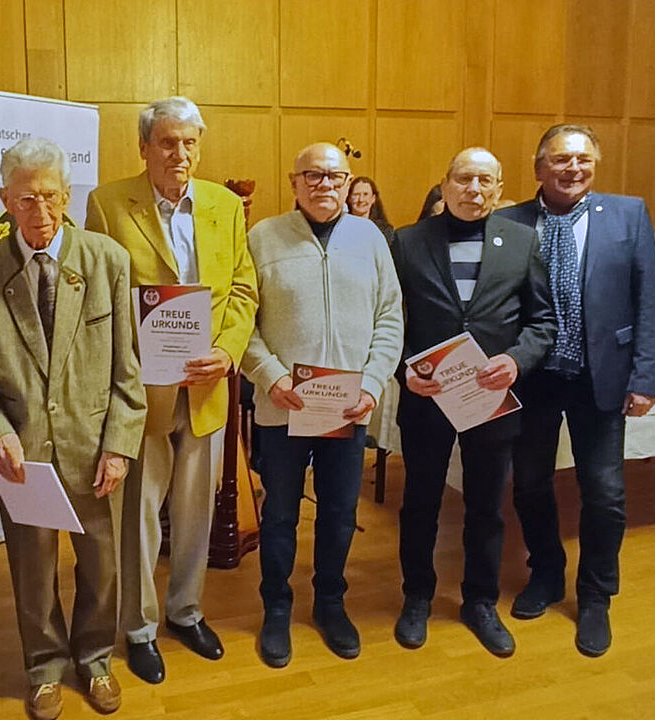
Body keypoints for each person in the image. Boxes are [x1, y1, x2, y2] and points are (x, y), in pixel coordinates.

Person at [0, 138, 146, 719]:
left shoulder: (108, 260)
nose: (40, 211)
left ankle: (95, 659)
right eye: (26, 198)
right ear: (5, 200)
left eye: (50, 196)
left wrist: (120, 446)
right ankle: (43, 666)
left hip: (95, 449)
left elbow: (128, 368)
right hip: (22, 456)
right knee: (32, 570)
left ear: (68, 197)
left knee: (102, 564)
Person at [86, 96, 258, 684]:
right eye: (167, 142)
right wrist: (128, 364)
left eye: (189, 142)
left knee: (194, 514)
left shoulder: (225, 205)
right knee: (138, 517)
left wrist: (228, 353)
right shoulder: (108, 204)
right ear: (144, 147)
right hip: (141, 392)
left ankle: (185, 611)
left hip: (207, 387)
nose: (179, 153)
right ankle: (138, 627)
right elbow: (97, 301)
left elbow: (241, 289)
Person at [497, 124, 655, 657]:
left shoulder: (628, 213)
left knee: (606, 493)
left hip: (602, 376)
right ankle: (545, 572)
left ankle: (595, 595)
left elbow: (648, 303)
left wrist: (645, 377)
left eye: (583, 160)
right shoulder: (509, 221)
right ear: (538, 167)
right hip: (533, 377)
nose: (573, 169)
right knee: (528, 484)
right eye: (561, 159)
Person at [241, 143, 403, 667]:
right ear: (294, 182)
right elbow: (241, 322)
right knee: (282, 514)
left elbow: (390, 318)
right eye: (312, 175)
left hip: (347, 410)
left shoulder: (371, 238)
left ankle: (331, 603)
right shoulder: (263, 237)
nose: (324, 184)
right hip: (282, 406)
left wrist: (373, 385)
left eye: (334, 175)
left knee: (338, 513)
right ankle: (277, 608)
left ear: (349, 180)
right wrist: (269, 377)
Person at [390, 148, 556, 658]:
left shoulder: (523, 242)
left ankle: (479, 601)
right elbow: (388, 319)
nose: (474, 189)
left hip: (491, 398)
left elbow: (542, 322)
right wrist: (403, 370)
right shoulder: (407, 241)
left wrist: (516, 361)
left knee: (486, 507)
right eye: (464, 178)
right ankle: (416, 595)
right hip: (428, 398)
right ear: (445, 183)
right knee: (420, 502)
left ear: (500, 187)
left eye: (485, 180)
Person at [346, 175, 396, 244]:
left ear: (373, 199)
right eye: (356, 194)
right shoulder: (340, 228)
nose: (361, 199)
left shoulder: (385, 230)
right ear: (349, 198)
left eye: (365, 194)